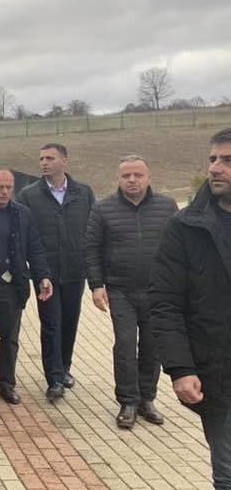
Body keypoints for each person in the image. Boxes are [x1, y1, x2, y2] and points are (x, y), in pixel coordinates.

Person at [151, 128, 231, 490]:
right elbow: (165, 302)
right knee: (230, 474)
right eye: (213, 159)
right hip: (219, 373)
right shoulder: (186, 227)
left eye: (227, 161)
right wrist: (180, 368)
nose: (215, 168)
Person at [85, 155, 176, 428]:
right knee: (125, 345)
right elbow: (91, 249)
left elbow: (178, 248)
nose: (132, 180)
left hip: (158, 291)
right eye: (126, 176)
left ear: (149, 178)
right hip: (120, 290)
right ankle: (127, 401)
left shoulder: (167, 206)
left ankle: (147, 398)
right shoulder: (103, 209)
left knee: (152, 346)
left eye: (138, 175)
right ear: (119, 179)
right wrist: (96, 285)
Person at [17, 143, 95, 402]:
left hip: (75, 270)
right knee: (51, 324)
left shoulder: (84, 193)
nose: (44, 163)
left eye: (50, 158)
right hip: (45, 273)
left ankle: (64, 368)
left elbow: (93, 231)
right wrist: (33, 270)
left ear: (65, 161)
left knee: (70, 322)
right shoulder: (29, 195)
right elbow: (23, 234)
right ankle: (54, 379)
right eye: (41, 158)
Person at [0, 168, 53, 405]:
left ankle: (6, 383)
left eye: (9, 187)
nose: (5, 192)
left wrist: (43, 276)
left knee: (10, 337)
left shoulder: (22, 214)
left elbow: (35, 248)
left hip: (10, 285)